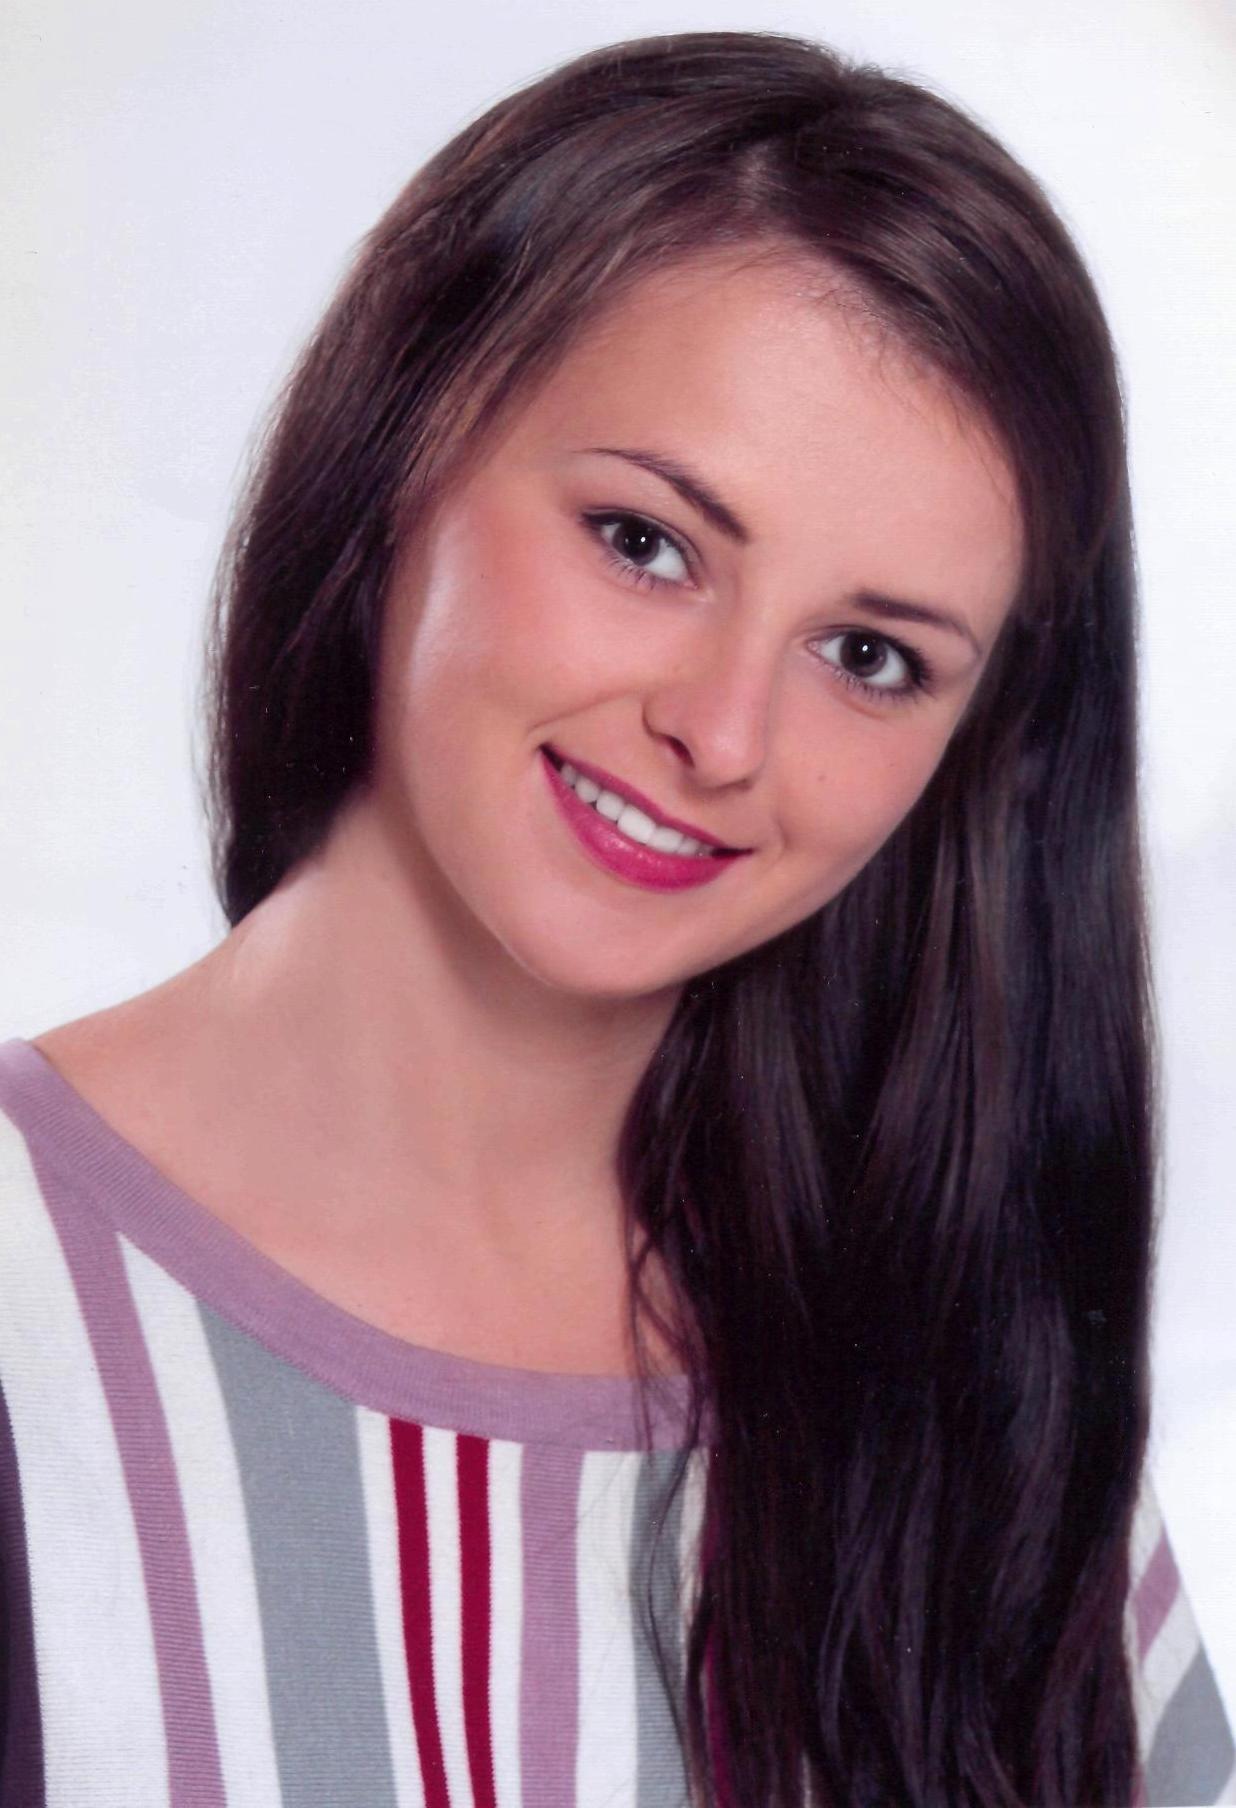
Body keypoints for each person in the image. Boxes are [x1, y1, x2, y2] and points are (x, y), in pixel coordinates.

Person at [0, 27, 1231, 1807]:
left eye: (868, 656)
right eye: (647, 542)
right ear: (407, 437)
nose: (723, 736)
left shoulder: (972, 1392)